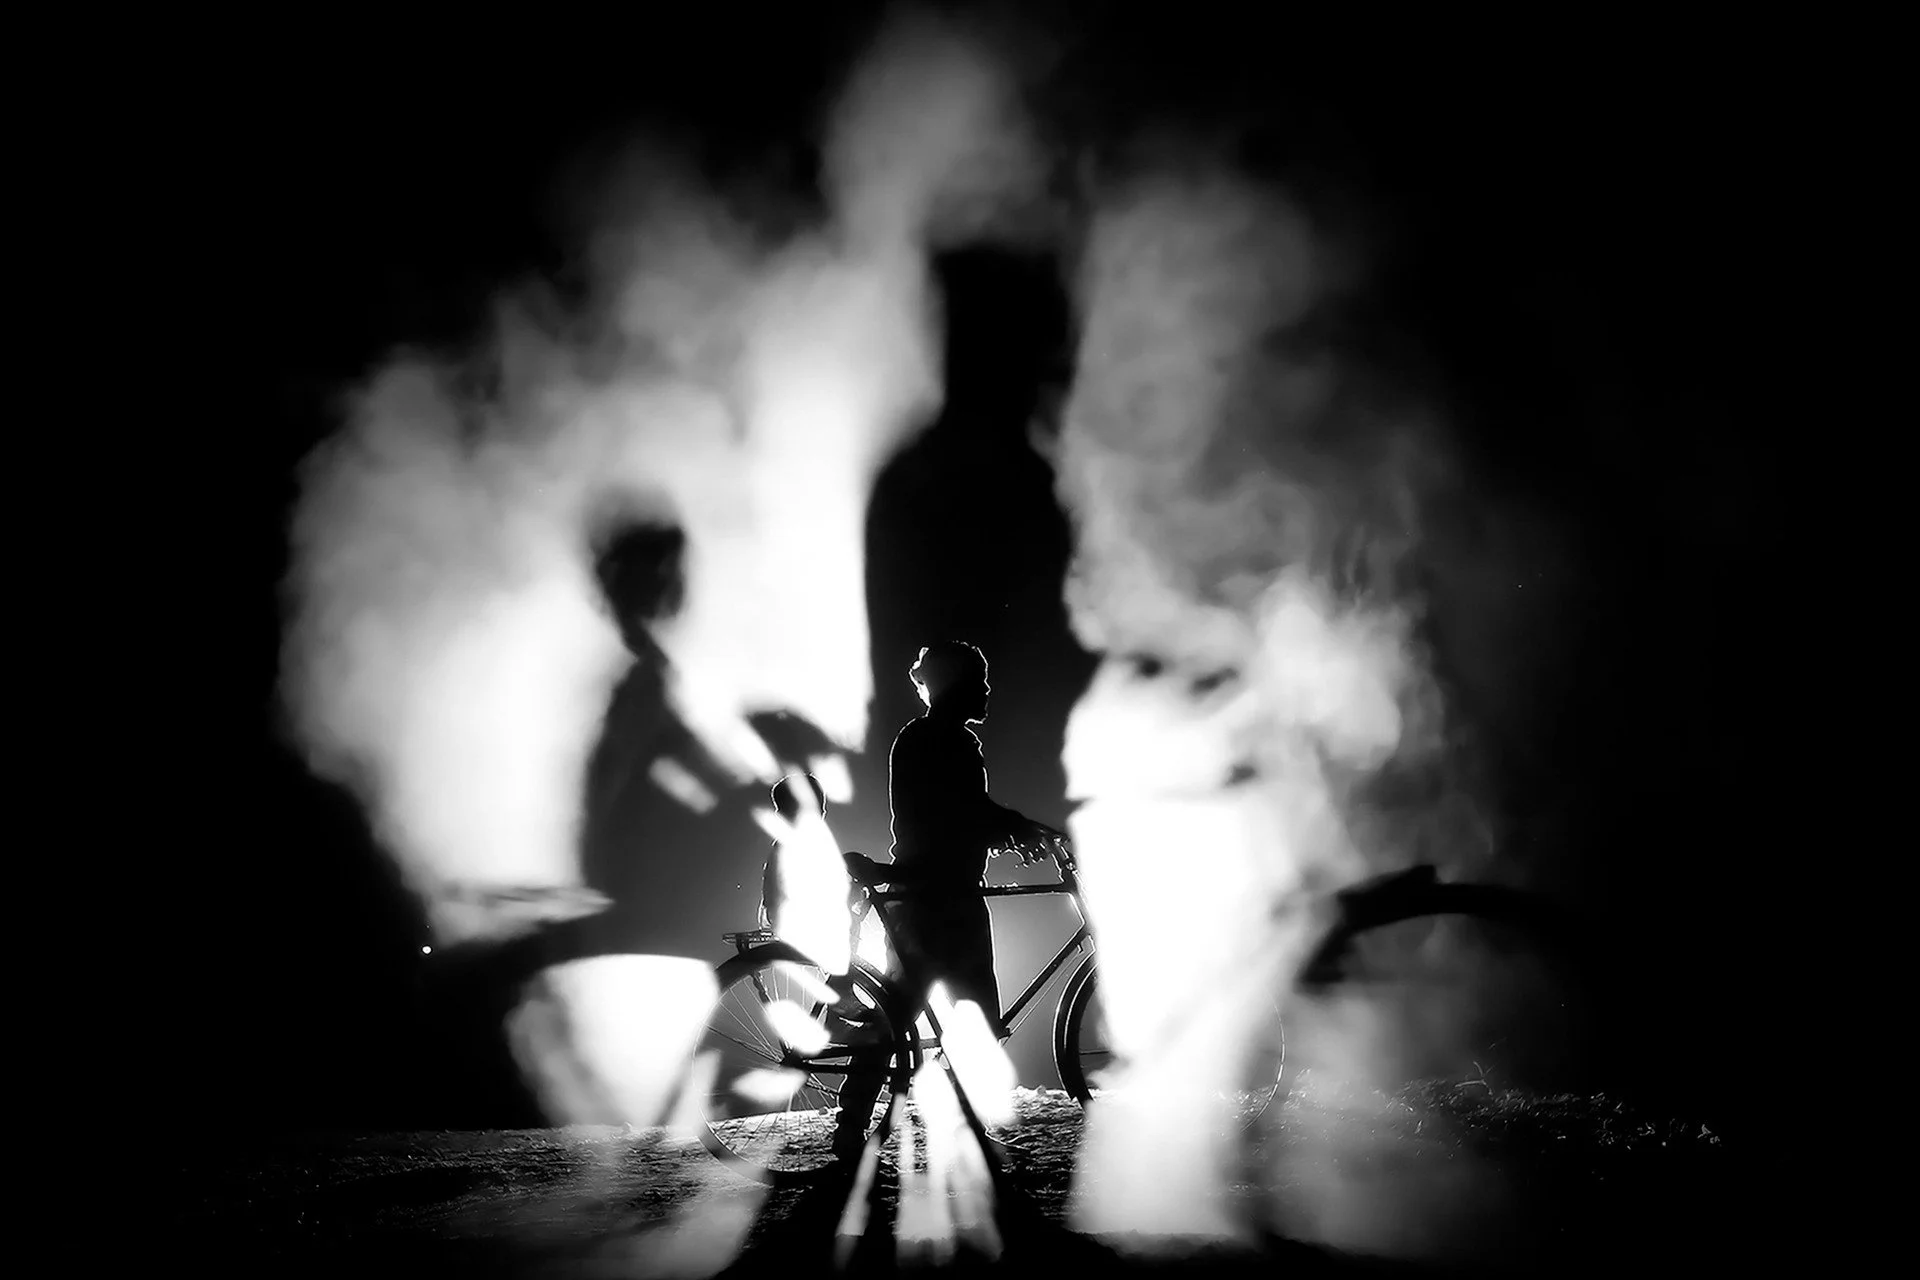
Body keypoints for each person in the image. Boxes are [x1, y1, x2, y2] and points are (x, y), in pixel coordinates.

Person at [832, 640, 1067, 1157]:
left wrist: (1010, 827)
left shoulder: (925, 737)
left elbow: (962, 811)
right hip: (939, 894)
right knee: (966, 1015)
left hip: (927, 891)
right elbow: (961, 812)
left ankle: (857, 1123)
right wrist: (1016, 826)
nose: (986, 691)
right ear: (956, 686)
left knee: (905, 1010)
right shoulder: (943, 741)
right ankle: (940, 1125)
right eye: (979, 682)